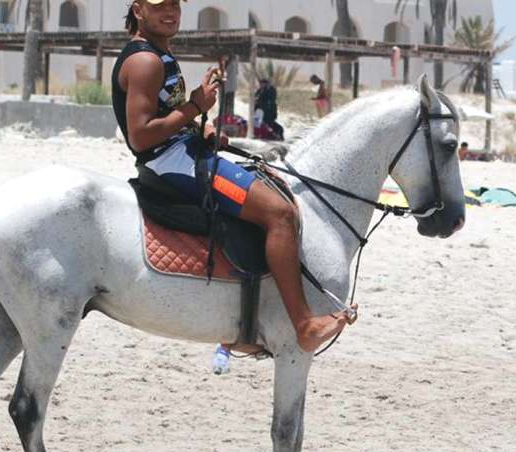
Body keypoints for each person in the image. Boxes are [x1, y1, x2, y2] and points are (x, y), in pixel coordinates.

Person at [112, 0, 353, 353]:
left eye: (175, 5)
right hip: (169, 161)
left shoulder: (157, 53)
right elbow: (141, 135)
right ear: (138, 10)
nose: (171, 12)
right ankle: (303, 324)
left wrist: (200, 125)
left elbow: (166, 115)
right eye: (160, 6)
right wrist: (196, 107)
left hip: (181, 149)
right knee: (279, 213)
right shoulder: (145, 61)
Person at [253, 76, 283, 141]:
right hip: (260, 111)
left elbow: (271, 100)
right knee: (260, 124)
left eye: (263, 83)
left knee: (270, 124)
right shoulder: (259, 90)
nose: (262, 85)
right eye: (261, 83)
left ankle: (275, 135)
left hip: (269, 112)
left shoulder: (271, 89)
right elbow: (256, 99)